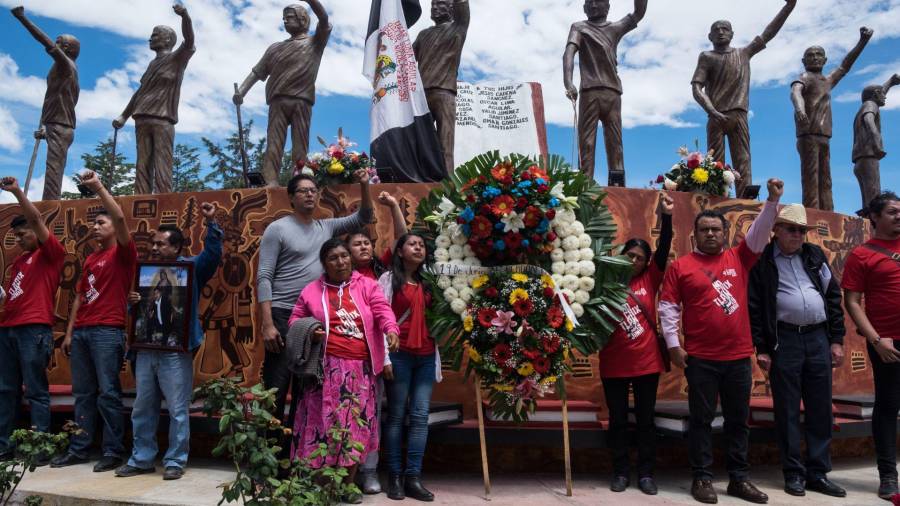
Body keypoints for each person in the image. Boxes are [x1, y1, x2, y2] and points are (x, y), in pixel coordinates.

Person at [660, 178, 783, 504]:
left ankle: (738, 480)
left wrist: (772, 202)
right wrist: (673, 345)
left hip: (738, 358)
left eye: (716, 229)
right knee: (701, 421)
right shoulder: (681, 268)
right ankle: (702, 478)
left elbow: (759, 231)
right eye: (705, 230)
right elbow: (669, 308)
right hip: (700, 359)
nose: (711, 234)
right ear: (695, 235)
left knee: (737, 421)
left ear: (724, 233)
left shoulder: (740, 258)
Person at [256, 171, 374, 426]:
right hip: (283, 313)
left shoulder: (326, 226)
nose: (310, 194)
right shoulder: (278, 229)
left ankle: (295, 456)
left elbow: (365, 217)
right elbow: (264, 276)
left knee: (305, 389)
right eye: (303, 191)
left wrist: (364, 185)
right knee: (275, 387)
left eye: (313, 190)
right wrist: (267, 323)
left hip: (314, 317)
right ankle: (267, 459)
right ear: (291, 197)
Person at [288, 238, 399, 505]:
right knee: (321, 427)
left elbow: (383, 311)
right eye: (333, 258)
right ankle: (321, 484)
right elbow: (294, 319)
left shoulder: (368, 286)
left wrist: (391, 330)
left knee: (354, 428)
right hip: (323, 371)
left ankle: (347, 485)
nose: (341, 262)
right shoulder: (312, 290)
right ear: (324, 264)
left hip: (360, 371)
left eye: (344, 256)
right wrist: (310, 330)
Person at [116, 203, 222, 481]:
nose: (154, 248)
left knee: (177, 408)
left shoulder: (189, 267)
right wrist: (133, 303)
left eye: (161, 244)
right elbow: (138, 315)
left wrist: (211, 223)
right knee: (142, 407)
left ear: (176, 248)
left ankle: (175, 460)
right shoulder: (145, 273)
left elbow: (212, 254)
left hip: (175, 350)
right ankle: (141, 459)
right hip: (146, 349)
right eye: (153, 243)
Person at [748, 204, 846, 498]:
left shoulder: (815, 256)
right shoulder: (763, 262)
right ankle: (793, 473)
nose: (797, 235)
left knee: (820, 409)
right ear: (776, 230)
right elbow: (755, 308)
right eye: (791, 229)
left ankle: (818, 473)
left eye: (802, 230)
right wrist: (762, 348)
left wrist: (836, 339)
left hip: (817, 337)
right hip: (785, 340)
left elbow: (832, 296)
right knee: (788, 410)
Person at [51, 171, 137, 472]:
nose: (95, 226)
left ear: (114, 227)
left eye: (101, 222)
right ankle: (80, 448)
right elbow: (78, 297)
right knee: (83, 394)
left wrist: (98, 186)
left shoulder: (123, 254)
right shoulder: (90, 259)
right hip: (84, 333)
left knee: (108, 393)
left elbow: (122, 219)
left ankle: (113, 450)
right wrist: (70, 333)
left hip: (107, 332)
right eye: (94, 222)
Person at [599, 193, 673, 495]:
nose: (634, 261)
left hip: (646, 363)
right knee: (617, 421)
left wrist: (666, 216)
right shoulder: (604, 280)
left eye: (639, 258)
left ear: (646, 262)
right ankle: (620, 472)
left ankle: (645, 474)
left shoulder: (651, 279)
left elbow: (665, 247)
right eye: (629, 255)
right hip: (613, 363)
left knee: (645, 420)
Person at [692, 0, 795, 198]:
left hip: (738, 114)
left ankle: (745, 200)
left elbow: (769, 33)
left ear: (732, 34)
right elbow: (697, 88)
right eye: (716, 29)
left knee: (743, 160)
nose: (721, 32)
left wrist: (789, 6)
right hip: (715, 116)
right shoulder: (706, 56)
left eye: (725, 29)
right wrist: (712, 111)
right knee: (715, 164)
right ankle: (718, 198)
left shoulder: (744, 53)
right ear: (710, 36)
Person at [0, 177, 66, 463]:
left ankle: (39, 446)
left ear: (36, 233)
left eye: (24, 234)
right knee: (5, 389)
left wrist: (16, 192)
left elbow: (37, 218)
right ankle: (6, 444)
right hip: (8, 329)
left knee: (36, 389)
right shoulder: (17, 263)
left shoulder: (50, 254)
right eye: (15, 236)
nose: (19, 240)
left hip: (34, 329)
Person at [842, 191, 900, 500]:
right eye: (892, 211)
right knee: (889, 406)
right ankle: (888, 475)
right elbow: (852, 302)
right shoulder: (862, 255)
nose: (899, 216)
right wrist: (875, 340)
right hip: (888, 342)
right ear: (875, 217)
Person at [233, 1, 331, 186]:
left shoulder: (314, 42)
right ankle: (270, 181)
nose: (285, 20)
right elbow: (257, 72)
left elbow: (324, 19)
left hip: (302, 101)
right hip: (277, 100)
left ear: (303, 19)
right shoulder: (275, 48)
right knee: (273, 144)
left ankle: (300, 180)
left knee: (300, 145)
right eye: (284, 18)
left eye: (290, 17)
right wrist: (242, 91)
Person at [377, 234, 442, 501]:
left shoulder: (432, 283)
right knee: (395, 416)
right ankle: (394, 476)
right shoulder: (388, 279)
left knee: (419, 416)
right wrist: (385, 359)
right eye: (412, 244)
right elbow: (378, 319)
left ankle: (413, 477)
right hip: (399, 354)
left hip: (426, 356)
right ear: (400, 251)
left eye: (422, 245)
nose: (418, 248)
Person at [353, 191, 407, 495]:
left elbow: (402, 241)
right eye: (356, 244)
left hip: (377, 352)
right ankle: (346, 468)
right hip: (345, 353)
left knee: (371, 412)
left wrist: (395, 206)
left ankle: (370, 470)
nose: (363, 246)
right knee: (347, 411)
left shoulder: (380, 271)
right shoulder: (340, 273)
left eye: (366, 243)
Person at [563, 0, 647, 185]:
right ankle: (584, 186)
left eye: (598, 2)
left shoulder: (615, 28)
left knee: (615, 142)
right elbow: (569, 53)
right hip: (589, 92)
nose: (593, 6)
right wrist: (568, 82)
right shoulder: (579, 27)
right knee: (586, 143)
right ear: (584, 8)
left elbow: (638, 13)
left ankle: (618, 187)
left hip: (612, 93)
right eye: (589, 3)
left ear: (607, 7)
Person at [113, 4, 195, 194]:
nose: (151, 38)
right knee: (142, 163)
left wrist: (185, 16)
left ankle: (164, 199)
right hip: (141, 117)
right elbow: (141, 92)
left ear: (168, 40)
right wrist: (124, 116)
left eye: (156, 35)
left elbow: (189, 39)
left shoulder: (177, 59)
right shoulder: (152, 64)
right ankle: (140, 199)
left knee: (162, 163)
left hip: (163, 119)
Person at [791, 27, 872, 211]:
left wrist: (863, 42)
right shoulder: (805, 77)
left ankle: (828, 213)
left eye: (818, 55)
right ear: (804, 61)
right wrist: (800, 109)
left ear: (825, 60)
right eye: (810, 55)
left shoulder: (827, 81)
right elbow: (795, 92)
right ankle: (812, 213)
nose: (815, 58)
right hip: (808, 135)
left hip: (824, 136)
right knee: (811, 179)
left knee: (826, 179)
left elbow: (845, 65)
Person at [10, 6, 80, 201]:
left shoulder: (66, 65)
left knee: (53, 174)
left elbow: (44, 41)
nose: (56, 44)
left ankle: (49, 208)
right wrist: (46, 131)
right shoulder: (63, 68)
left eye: (60, 43)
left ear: (68, 49)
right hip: (55, 125)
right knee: (52, 171)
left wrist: (22, 19)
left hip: (60, 125)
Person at [413, 0, 470, 174]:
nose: (435, 8)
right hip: (421, 96)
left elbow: (463, 6)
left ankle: (446, 184)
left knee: (445, 143)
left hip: (445, 93)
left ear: (451, 9)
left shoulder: (458, 28)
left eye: (440, 4)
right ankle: (420, 178)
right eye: (433, 5)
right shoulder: (423, 35)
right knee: (419, 142)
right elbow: (406, 60)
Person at [852, 75, 900, 209]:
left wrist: (890, 82)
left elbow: (880, 92)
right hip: (868, 157)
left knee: (868, 202)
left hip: (860, 160)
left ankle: (868, 225)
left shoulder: (866, 105)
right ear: (875, 95)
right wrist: (877, 145)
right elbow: (869, 120)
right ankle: (874, 228)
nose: (885, 97)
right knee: (874, 201)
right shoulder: (870, 105)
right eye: (881, 94)